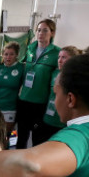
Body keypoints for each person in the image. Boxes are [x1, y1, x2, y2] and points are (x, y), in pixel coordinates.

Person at [16, 19, 60, 148]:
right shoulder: (30, 48)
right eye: (39, 30)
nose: (41, 33)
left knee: (37, 138)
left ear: (52, 33)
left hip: (40, 102)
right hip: (24, 99)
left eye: (45, 30)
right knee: (21, 136)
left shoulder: (56, 52)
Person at [37, 45, 81, 143]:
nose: (60, 60)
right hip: (47, 118)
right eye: (59, 57)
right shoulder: (54, 73)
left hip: (62, 123)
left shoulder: (76, 78)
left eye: (64, 57)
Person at [0, 41, 25, 133]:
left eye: (11, 54)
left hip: (11, 107)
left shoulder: (21, 68)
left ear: (16, 55)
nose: (8, 57)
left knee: (5, 135)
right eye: (6, 54)